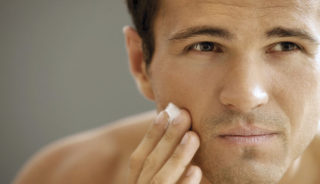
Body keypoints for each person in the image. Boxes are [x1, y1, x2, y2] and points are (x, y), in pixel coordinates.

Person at [13, 0, 320, 183]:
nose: (246, 96)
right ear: (140, 63)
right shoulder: (66, 175)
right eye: (204, 46)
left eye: (287, 46)